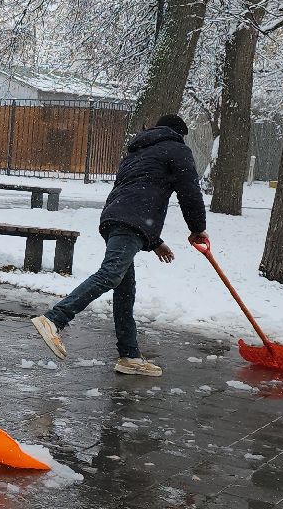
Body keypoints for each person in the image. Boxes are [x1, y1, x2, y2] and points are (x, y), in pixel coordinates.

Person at [31, 112, 206, 376]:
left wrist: (155, 241)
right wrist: (197, 229)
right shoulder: (177, 149)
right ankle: (55, 318)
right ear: (179, 133)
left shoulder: (137, 152)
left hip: (115, 219)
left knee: (125, 291)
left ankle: (129, 356)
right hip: (131, 222)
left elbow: (136, 194)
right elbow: (189, 191)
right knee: (111, 274)